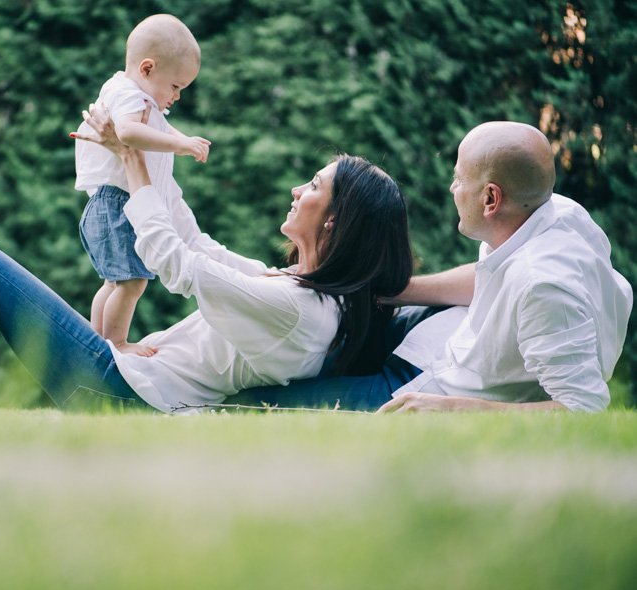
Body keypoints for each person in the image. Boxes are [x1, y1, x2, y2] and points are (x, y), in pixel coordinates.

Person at [0, 105, 413, 415]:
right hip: (127, 380)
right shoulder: (300, 291)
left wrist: (130, 159)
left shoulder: (297, 310)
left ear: (336, 219)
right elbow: (199, 244)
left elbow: (176, 265)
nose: (299, 188)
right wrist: (147, 159)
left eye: (314, 186)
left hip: (119, 397)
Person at [232, 121, 632, 413]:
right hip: (443, 336)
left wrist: (451, 409)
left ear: (490, 200)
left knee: (249, 405)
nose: (452, 188)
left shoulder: (544, 285)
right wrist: (390, 289)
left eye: (459, 179)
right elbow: (490, 282)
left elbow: (583, 408)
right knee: (331, 329)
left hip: (435, 385)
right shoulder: (552, 212)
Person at [73, 14, 211, 357]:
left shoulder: (134, 95)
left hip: (114, 203)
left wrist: (186, 139)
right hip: (115, 203)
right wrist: (181, 146)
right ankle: (116, 343)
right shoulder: (127, 96)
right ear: (147, 69)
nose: (177, 96)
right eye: (176, 86)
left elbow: (160, 130)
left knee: (117, 281)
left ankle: (99, 344)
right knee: (132, 281)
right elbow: (129, 134)